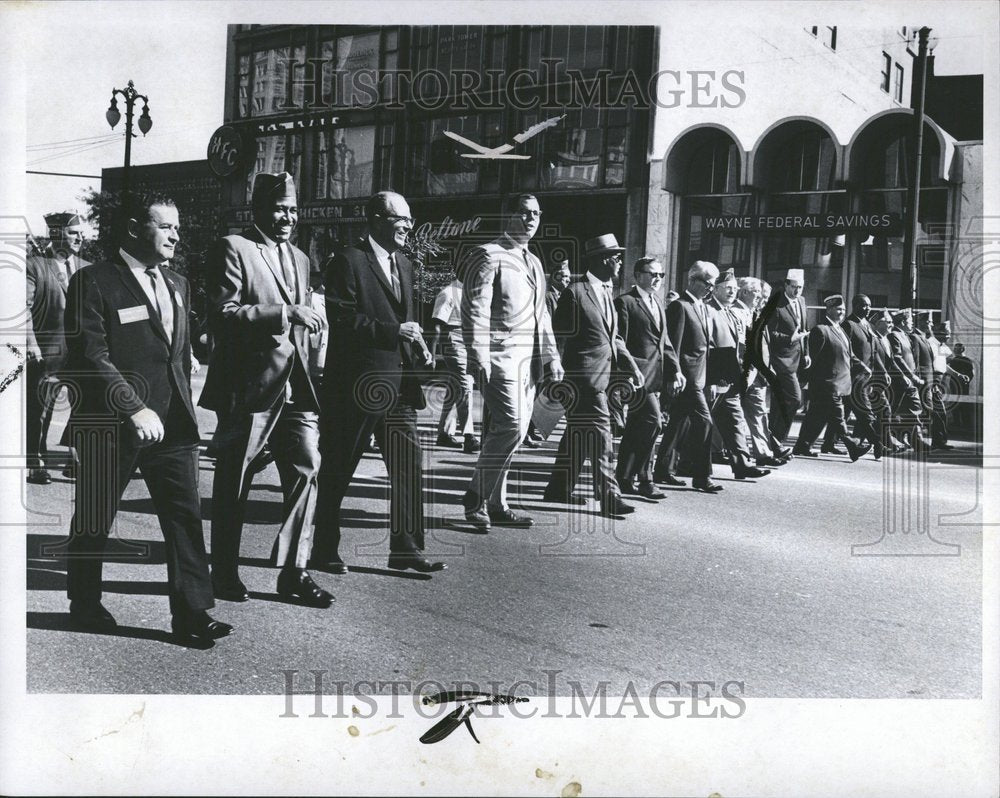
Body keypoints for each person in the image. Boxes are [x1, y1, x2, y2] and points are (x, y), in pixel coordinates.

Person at [61, 193, 229, 643]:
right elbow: (90, 355)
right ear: (135, 229)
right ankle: (84, 601)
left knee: (184, 516)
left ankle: (193, 613)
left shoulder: (178, 281)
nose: (176, 235)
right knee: (95, 517)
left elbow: (175, 345)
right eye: (166, 226)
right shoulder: (93, 281)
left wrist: (188, 361)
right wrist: (132, 406)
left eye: (178, 227)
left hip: (173, 421)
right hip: (111, 421)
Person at [200, 172, 333, 608]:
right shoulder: (234, 248)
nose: (287, 218)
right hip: (250, 386)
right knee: (235, 478)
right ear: (257, 209)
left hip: (295, 386)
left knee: (307, 466)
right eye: (279, 209)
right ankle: (223, 570)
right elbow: (222, 314)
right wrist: (283, 312)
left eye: (293, 210)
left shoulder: (300, 256)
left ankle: (295, 571)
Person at [312, 191, 444, 574]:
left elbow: (407, 321)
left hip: (400, 386)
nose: (407, 226)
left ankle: (406, 549)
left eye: (409, 219)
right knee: (339, 467)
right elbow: (342, 319)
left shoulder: (404, 263)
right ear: (375, 219)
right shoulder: (348, 261)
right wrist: (394, 332)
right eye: (399, 218)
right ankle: (323, 548)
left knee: (407, 466)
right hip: (356, 385)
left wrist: (418, 347)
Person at [461, 194, 563, 531]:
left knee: (511, 434)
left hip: (528, 362)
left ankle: (496, 503)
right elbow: (475, 308)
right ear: (509, 215)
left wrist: (551, 356)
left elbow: (541, 315)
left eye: (536, 213)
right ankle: (475, 498)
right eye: (524, 212)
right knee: (512, 427)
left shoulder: (533, 261)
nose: (531, 218)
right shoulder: (489, 255)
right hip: (499, 357)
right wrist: (477, 353)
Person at [542, 235, 642, 515]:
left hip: (603, 376)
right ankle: (609, 496)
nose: (620, 261)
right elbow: (558, 334)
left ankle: (557, 489)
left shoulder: (606, 292)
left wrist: (631, 366)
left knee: (576, 435)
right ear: (601, 259)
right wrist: (554, 374)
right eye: (615, 256)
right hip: (582, 379)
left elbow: (614, 337)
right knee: (601, 436)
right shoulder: (575, 292)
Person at [25, 211, 90, 484]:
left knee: (84, 407)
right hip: (46, 351)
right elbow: (23, 308)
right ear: (57, 233)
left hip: (81, 353)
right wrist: (31, 344)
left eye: (82, 233)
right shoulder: (35, 265)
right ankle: (35, 461)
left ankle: (74, 461)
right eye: (74, 232)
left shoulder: (87, 267)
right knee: (40, 409)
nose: (81, 237)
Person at [613, 257, 683, 499]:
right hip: (636, 377)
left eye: (661, 275)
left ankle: (624, 477)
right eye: (652, 274)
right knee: (653, 422)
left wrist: (676, 370)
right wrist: (630, 369)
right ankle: (646, 479)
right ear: (637, 275)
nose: (658, 279)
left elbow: (665, 343)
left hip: (656, 375)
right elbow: (618, 340)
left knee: (638, 426)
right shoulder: (625, 303)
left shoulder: (657, 303)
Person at [652, 261, 723, 493]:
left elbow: (707, 347)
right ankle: (702, 476)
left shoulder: (702, 306)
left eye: (713, 285)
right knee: (704, 421)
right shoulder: (680, 307)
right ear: (692, 280)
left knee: (678, 422)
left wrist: (711, 379)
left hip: (700, 377)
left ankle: (663, 469)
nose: (710, 289)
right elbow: (673, 345)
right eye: (707, 283)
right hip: (687, 377)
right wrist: (674, 374)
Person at [705, 269, 771, 480]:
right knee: (693, 423)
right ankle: (677, 462)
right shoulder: (709, 310)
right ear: (715, 289)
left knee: (735, 419)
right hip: (712, 378)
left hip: (731, 376)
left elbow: (739, 345)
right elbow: (707, 346)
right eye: (728, 288)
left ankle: (742, 464)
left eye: (734, 288)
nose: (732, 292)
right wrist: (712, 379)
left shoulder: (727, 311)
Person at [791, 295, 873, 461]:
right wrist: (805, 379)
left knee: (816, 416)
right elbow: (812, 358)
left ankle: (802, 446)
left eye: (843, 309)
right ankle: (853, 446)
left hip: (841, 383)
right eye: (837, 309)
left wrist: (864, 368)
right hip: (826, 383)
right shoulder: (821, 330)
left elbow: (850, 355)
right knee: (838, 415)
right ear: (828, 310)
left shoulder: (840, 330)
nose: (841, 312)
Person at [735, 277, 788, 467]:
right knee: (727, 414)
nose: (760, 297)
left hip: (757, 373)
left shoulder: (755, 314)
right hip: (741, 372)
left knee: (759, 412)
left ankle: (763, 453)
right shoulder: (736, 312)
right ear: (744, 292)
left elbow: (762, 345)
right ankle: (716, 449)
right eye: (756, 292)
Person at [430, 276, 479, 454]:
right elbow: (436, 325)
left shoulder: (474, 291)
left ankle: (444, 433)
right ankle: (469, 436)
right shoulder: (448, 293)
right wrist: (432, 354)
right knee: (465, 385)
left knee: (455, 388)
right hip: (453, 340)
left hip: (470, 340)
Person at [765, 268, 810, 445]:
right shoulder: (776, 304)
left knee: (779, 402)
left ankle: (773, 440)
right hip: (781, 360)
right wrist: (789, 338)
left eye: (800, 287)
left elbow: (804, 329)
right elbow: (769, 333)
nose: (797, 291)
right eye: (793, 287)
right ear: (786, 285)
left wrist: (806, 353)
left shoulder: (802, 301)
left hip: (797, 359)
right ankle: (778, 438)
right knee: (794, 399)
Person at [840, 294, 883, 458]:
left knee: (842, 413)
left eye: (869, 305)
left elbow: (873, 351)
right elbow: (847, 352)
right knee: (865, 412)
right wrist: (861, 366)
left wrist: (878, 372)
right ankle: (877, 444)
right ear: (855, 305)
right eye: (864, 305)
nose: (868, 308)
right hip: (853, 376)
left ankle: (833, 444)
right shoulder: (848, 324)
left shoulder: (867, 324)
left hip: (867, 377)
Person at [887, 309, 931, 453]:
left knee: (907, 410)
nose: (912, 324)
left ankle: (911, 439)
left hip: (910, 379)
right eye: (910, 322)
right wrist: (910, 376)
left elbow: (913, 358)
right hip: (901, 380)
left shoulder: (905, 336)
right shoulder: (894, 335)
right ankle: (891, 437)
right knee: (909, 408)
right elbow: (897, 358)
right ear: (903, 322)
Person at [912, 311, 950, 450]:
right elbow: (917, 362)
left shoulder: (927, 340)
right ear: (920, 322)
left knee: (931, 412)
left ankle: (932, 441)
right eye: (928, 322)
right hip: (926, 381)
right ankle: (916, 439)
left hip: (932, 382)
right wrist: (920, 380)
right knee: (928, 411)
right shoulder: (920, 339)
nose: (931, 324)